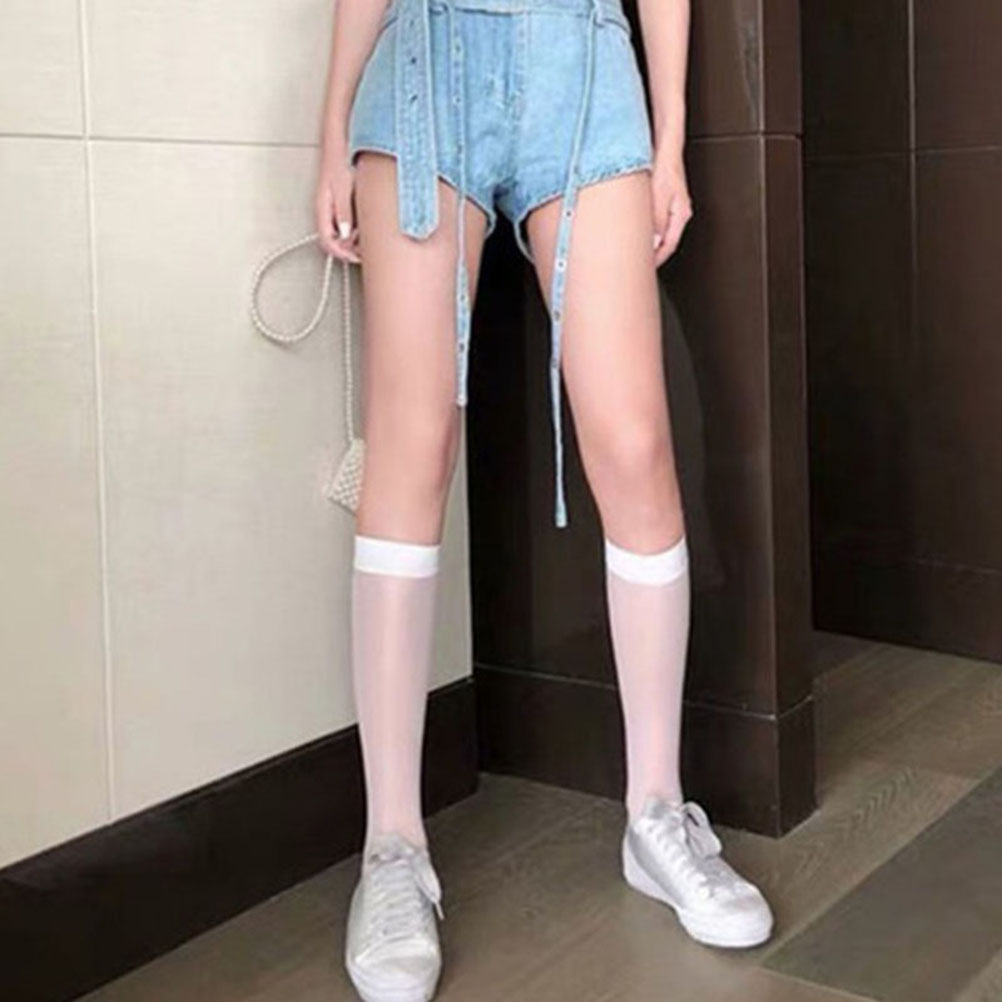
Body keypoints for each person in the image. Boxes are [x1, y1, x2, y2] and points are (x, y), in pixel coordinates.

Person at [314, 0, 773, 996]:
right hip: (427, 56)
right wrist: (333, 125)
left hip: (585, 59)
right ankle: (391, 845)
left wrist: (671, 140)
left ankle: (657, 813)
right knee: (412, 445)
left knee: (636, 443)